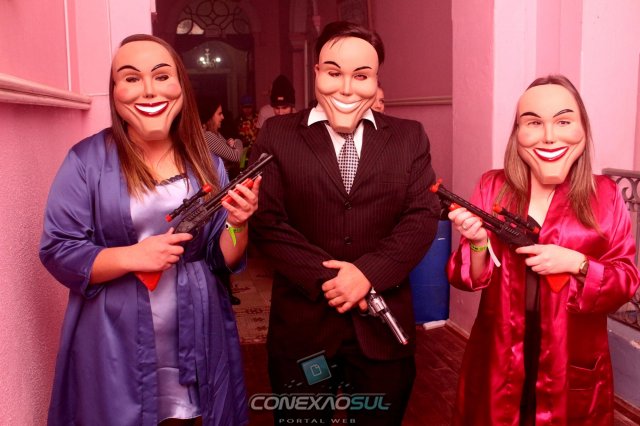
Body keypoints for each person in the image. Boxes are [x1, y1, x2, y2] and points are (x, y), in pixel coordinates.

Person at [39, 34, 260, 426]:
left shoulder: (207, 162)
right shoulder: (86, 160)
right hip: (114, 335)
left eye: (161, 76)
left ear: (181, 86)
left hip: (198, 329)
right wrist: (132, 256)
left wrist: (237, 224)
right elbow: (58, 249)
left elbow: (220, 257)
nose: (148, 90)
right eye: (131, 78)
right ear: (114, 92)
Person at [249, 21, 441, 425]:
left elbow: (422, 217)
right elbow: (267, 221)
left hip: (382, 332)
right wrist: (336, 280)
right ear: (316, 71)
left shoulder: (409, 137)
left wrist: (368, 274)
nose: (347, 88)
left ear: (377, 80)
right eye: (334, 73)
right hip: (305, 333)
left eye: (362, 76)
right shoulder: (277, 134)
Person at [446, 74, 639, 425]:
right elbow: (467, 279)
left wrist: (577, 263)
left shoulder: (606, 195)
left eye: (563, 121)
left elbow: (626, 279)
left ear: (583, 128)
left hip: (571, 362)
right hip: (499, 357)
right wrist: (477, 243)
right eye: (534, 122)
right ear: (517, 133)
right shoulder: (493, 185)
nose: (549, 135)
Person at [197, 97, 243, 305]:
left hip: (220, 192)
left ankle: (224, 291)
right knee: (221, 240)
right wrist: (237, 142)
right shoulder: (208, 136)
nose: (223, 117)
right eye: (219, 113)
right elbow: (235, 156)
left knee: (224, 239)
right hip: (216, 195)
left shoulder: (214, 135)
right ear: (210, 116)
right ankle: (223, 293)